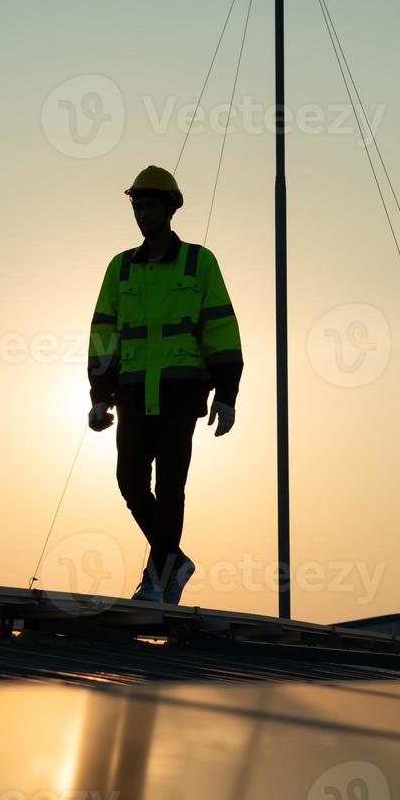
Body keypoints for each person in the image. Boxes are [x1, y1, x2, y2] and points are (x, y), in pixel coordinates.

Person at [86, 165, 244, 605]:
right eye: (138, 205)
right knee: (130, 481)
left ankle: (155, 578)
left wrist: (227, 396)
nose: (143, 214)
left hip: (180, 392)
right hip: (133, 393)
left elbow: (221, 331)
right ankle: (175, 560)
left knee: (171, 486)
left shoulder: (199, 261)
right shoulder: (120, 269)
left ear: (169, 209)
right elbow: (103, 335)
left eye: (151, 205)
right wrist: (100, 397)